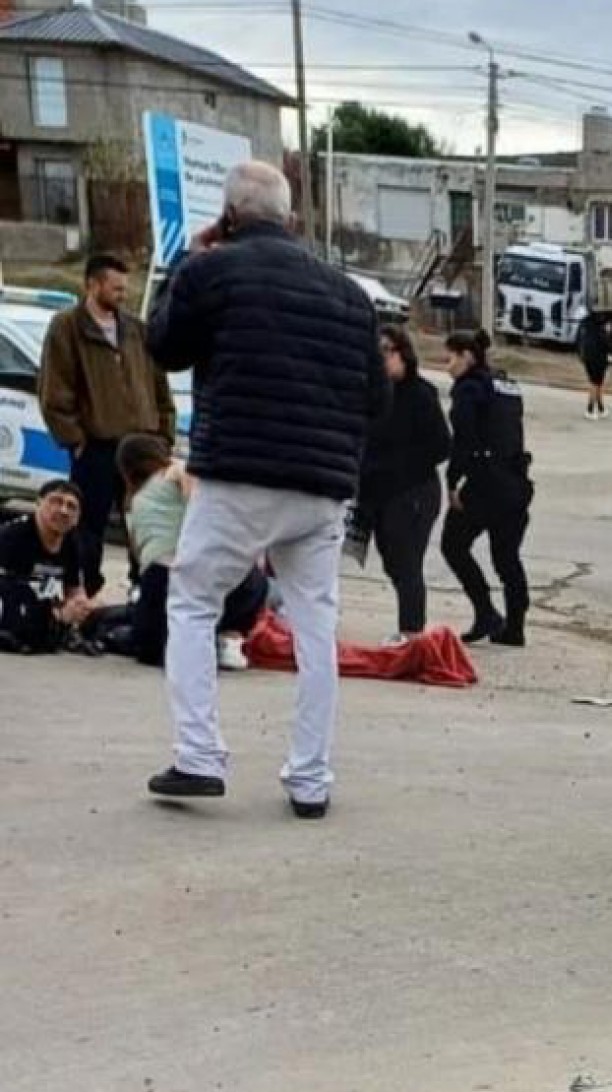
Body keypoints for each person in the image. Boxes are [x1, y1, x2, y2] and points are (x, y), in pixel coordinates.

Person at [143, 159, 384, 821]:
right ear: (291, 219)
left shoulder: (213, 272)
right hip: (322, 488)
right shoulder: (349, 295)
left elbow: (163, 345)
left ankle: (199, 758)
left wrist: (184, 263)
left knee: (194, 601)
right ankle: (310, 779)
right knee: (316, 626)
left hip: (239, 475)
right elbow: (377, 398)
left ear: (228, 217)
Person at [36, 254, 177, 597]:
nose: (123, 295)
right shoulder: (68, 327)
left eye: (125, 288)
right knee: (88, 526)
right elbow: (54, 390)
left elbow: (159, 384)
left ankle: (144, 589)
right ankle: (84, 591)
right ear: (93, 285)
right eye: (116, 288)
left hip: (142, 446)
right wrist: (75, 439)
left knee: (145, 522)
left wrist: (164, 434)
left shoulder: (136, 329)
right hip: (97, 446)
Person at [116, 434, 269, 670]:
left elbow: (138, 554)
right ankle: (229, 636)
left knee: (155, 649)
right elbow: (201, 509)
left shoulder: (131, 501)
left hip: (154, 583)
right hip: (185, 572)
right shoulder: (175, 469)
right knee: (256, 582)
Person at [440, 330, 532, 648]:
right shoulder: (506, 384)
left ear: (467, 356)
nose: (447, 366)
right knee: (507, 558)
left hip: (484, 485)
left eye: (450, 358)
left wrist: (453, 481)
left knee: (453, 545)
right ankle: (515, 627)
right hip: (515, 481)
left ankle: (486, 612)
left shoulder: (468, 389)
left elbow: (463, 440)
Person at [361, 326, 451, 643]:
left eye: (387, 351)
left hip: (414, 490)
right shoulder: (373, 394)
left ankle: (412, 631)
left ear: (403, 354)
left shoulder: (420, 394)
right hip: (379, 491)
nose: (381, 358)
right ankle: (409, 627)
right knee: (392, 560)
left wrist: (400, 465)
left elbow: (441, 445)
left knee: (406, 559)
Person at [0, 480, 92, 652]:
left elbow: (76, 591)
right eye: (56, 501)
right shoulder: (12, 537)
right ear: (38, 503)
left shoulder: (73, 544)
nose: (63, 511)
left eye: (71, 506)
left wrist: (80, 606)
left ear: (78, 517)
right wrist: (58, 615)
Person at [577, 310, 612, 421]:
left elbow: (578, 338)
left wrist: (580, 354)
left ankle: (601, 408)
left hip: (587, 356)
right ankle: (589, 409)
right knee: (596, 383)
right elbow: (606, 342)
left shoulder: (585, 322)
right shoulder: (601, 326)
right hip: (598, 357)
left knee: (597, 383)